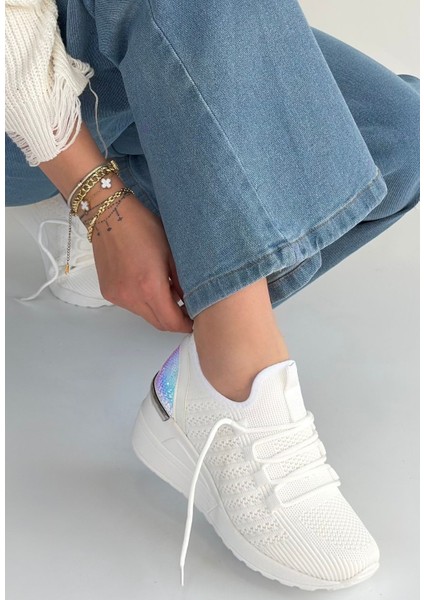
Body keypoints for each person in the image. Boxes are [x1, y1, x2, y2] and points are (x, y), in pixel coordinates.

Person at [5, 0, 419, 591]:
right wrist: (100, 205)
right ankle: (234, 379)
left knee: (395, 139)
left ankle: (198, 276)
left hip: (91, 64)